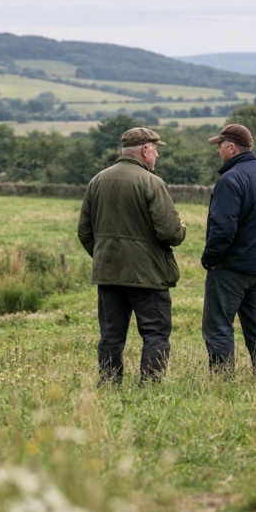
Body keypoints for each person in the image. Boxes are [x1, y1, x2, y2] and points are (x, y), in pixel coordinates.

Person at [77, 127, 187, 385]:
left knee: (111, 335)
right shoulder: (152, 182)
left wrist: (104, 256)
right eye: (156, 149)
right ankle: (150, 386)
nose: (157, 155)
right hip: (148, 276)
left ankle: (109, 384)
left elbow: (84, 231)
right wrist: (181, 230)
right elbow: (170, 232)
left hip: (109, 275)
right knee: (156, 333)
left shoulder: (97, 181)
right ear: (145, 150)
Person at [201, 123, 256, 377]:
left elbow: (222, 228)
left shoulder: (230, 180)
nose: (217, 151)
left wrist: (211, 259)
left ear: (231, 147)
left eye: (219, 146)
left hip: (230, 268)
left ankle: (222, 379)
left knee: (218, 325)